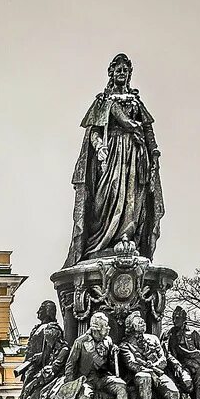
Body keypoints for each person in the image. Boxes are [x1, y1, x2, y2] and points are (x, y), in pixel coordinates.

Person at [66, 52, 164, 267]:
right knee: (106, 195)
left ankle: (127, 237)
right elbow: (94, 130)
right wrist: (99, 146)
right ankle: (100, 242)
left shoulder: (136, 101)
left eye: (125, 70)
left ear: (129, 74)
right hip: (111, 156)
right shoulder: (104, 101)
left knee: (132, 198)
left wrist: (154, 153)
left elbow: (148, 130)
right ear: (111, 73)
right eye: (118, 69)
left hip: (135, 155)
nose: (122, 72)